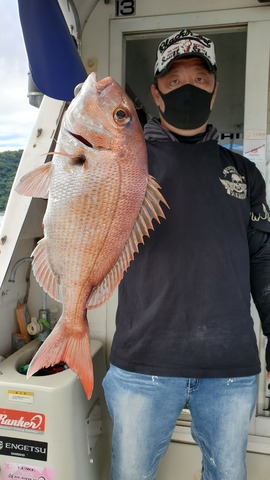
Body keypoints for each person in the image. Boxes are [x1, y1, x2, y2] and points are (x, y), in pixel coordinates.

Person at [102, 28, 270, 480]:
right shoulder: (128, 164)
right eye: (174, 81)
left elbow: (263, 261)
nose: (188, 88)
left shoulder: (244, 173)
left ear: (214, 91)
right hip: (143, 364)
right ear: (156, 94)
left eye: (199, 77)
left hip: (230, 370)